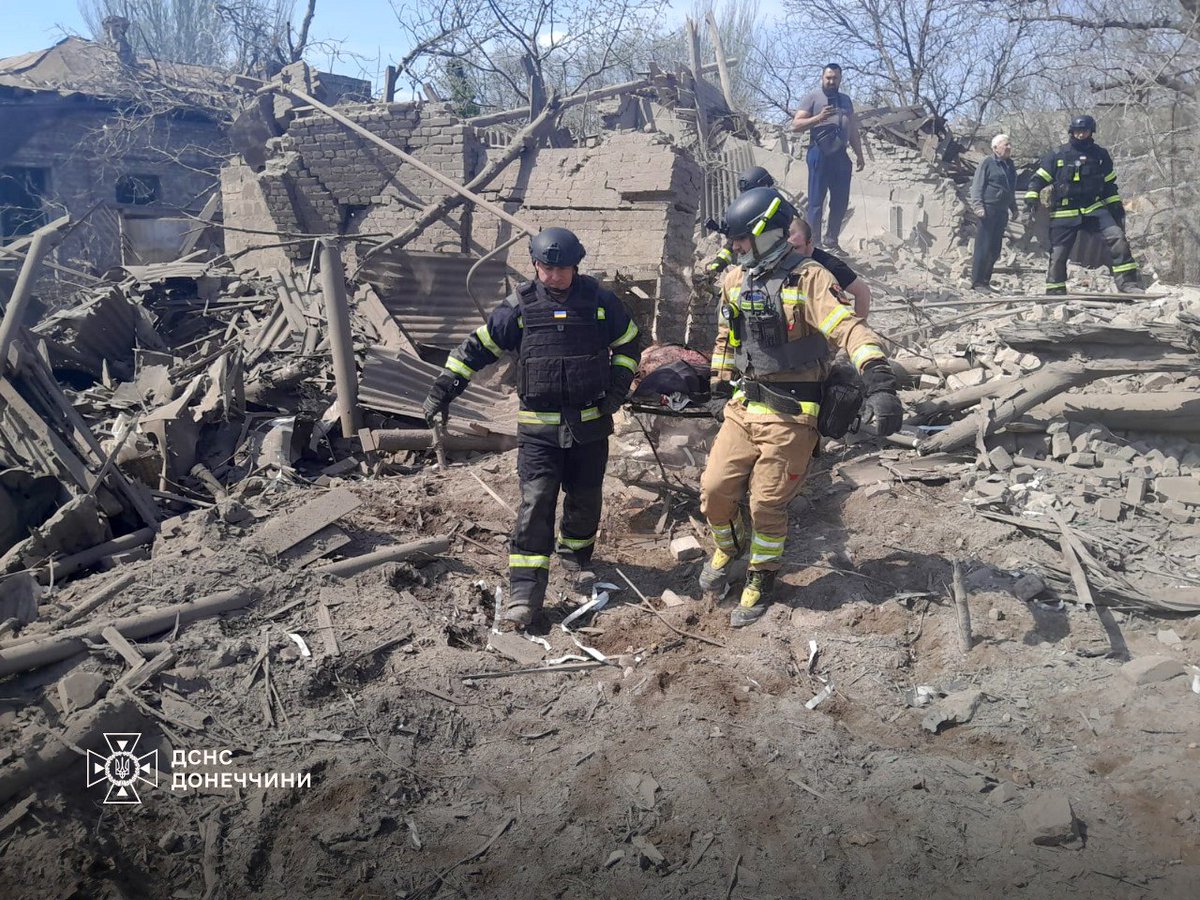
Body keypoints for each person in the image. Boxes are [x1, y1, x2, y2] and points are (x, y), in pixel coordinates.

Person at [422, 228, 643, 629]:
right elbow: (477, 349)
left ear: (576, 264)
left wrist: (616, 388)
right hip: (538, 431)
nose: (553, 275)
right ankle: (525, 590)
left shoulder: (601, 303)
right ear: (535, 264)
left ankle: (576, 558)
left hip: (590, 426)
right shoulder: (518, 307)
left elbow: (629, 344)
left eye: (560, 268)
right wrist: (443, 391)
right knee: (537, 501)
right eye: (545, 267)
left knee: (585, 496)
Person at [701, 188, 902, 627]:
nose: (734, 248)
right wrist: (718, 387)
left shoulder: (809, 278)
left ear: (768, 235)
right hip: (743, 405)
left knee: (766, 504)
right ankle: (729, 548)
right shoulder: (735, 280)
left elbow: (849, 329)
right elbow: (725, 340)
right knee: (715, 492)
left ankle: (762, 576)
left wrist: (880, 381)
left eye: (740, 240)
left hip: (792, 413)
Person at [1023, 115, 1142, 295]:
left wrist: (1115, 207)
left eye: (1084, 131)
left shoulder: (1100, 155)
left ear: (1091, 132)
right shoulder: (1057, 155)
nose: (1080, 135)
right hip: (1065, 210)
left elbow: (1109, 185)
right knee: (1058, 253)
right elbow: (1039, 178)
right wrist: (1032, 196)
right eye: (1077, 131)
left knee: (1117, 237)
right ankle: (1055, 290)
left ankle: (1128, 284)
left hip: (1093, 208)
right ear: (1072, 132)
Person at [791, 63, 865, 252]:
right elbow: (796, 124)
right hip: (819, 152)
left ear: (840, 79)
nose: (831, 81)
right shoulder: (813, 98)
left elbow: (853, 129)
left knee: (840, 200)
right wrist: (818, 118)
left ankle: (831, 240)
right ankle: (813, 243)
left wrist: (859, 154)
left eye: (835, 78)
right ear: (822, 78)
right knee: (816, 201)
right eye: (828, 78)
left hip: (840, 154)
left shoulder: (846, 101)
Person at [786, 217, 871, 319]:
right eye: (788, 248)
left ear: (809, 242)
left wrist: (859, 329)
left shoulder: (830, 265)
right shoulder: (782, 261)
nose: (791, 253)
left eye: (796, 248)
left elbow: (862, 291)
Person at [705, 165, 781, 276]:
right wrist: (718, 264)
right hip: (754, 269)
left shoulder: (781, 211)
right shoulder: (749, 214)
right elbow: (732, 244)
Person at [969, 134, 1018, 292]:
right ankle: (977, 282)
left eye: (1010, 144)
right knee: (983, 246)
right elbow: (977, 185)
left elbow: (1010, 189)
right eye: (1005, 144)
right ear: (995, 147)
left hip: (1002, 211)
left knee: (995, 249)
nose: (1009, 147)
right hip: (988, 210)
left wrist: (1014, 208)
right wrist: (977, 206)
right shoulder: (987, 162)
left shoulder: (1010, 165)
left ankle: (985, 281)